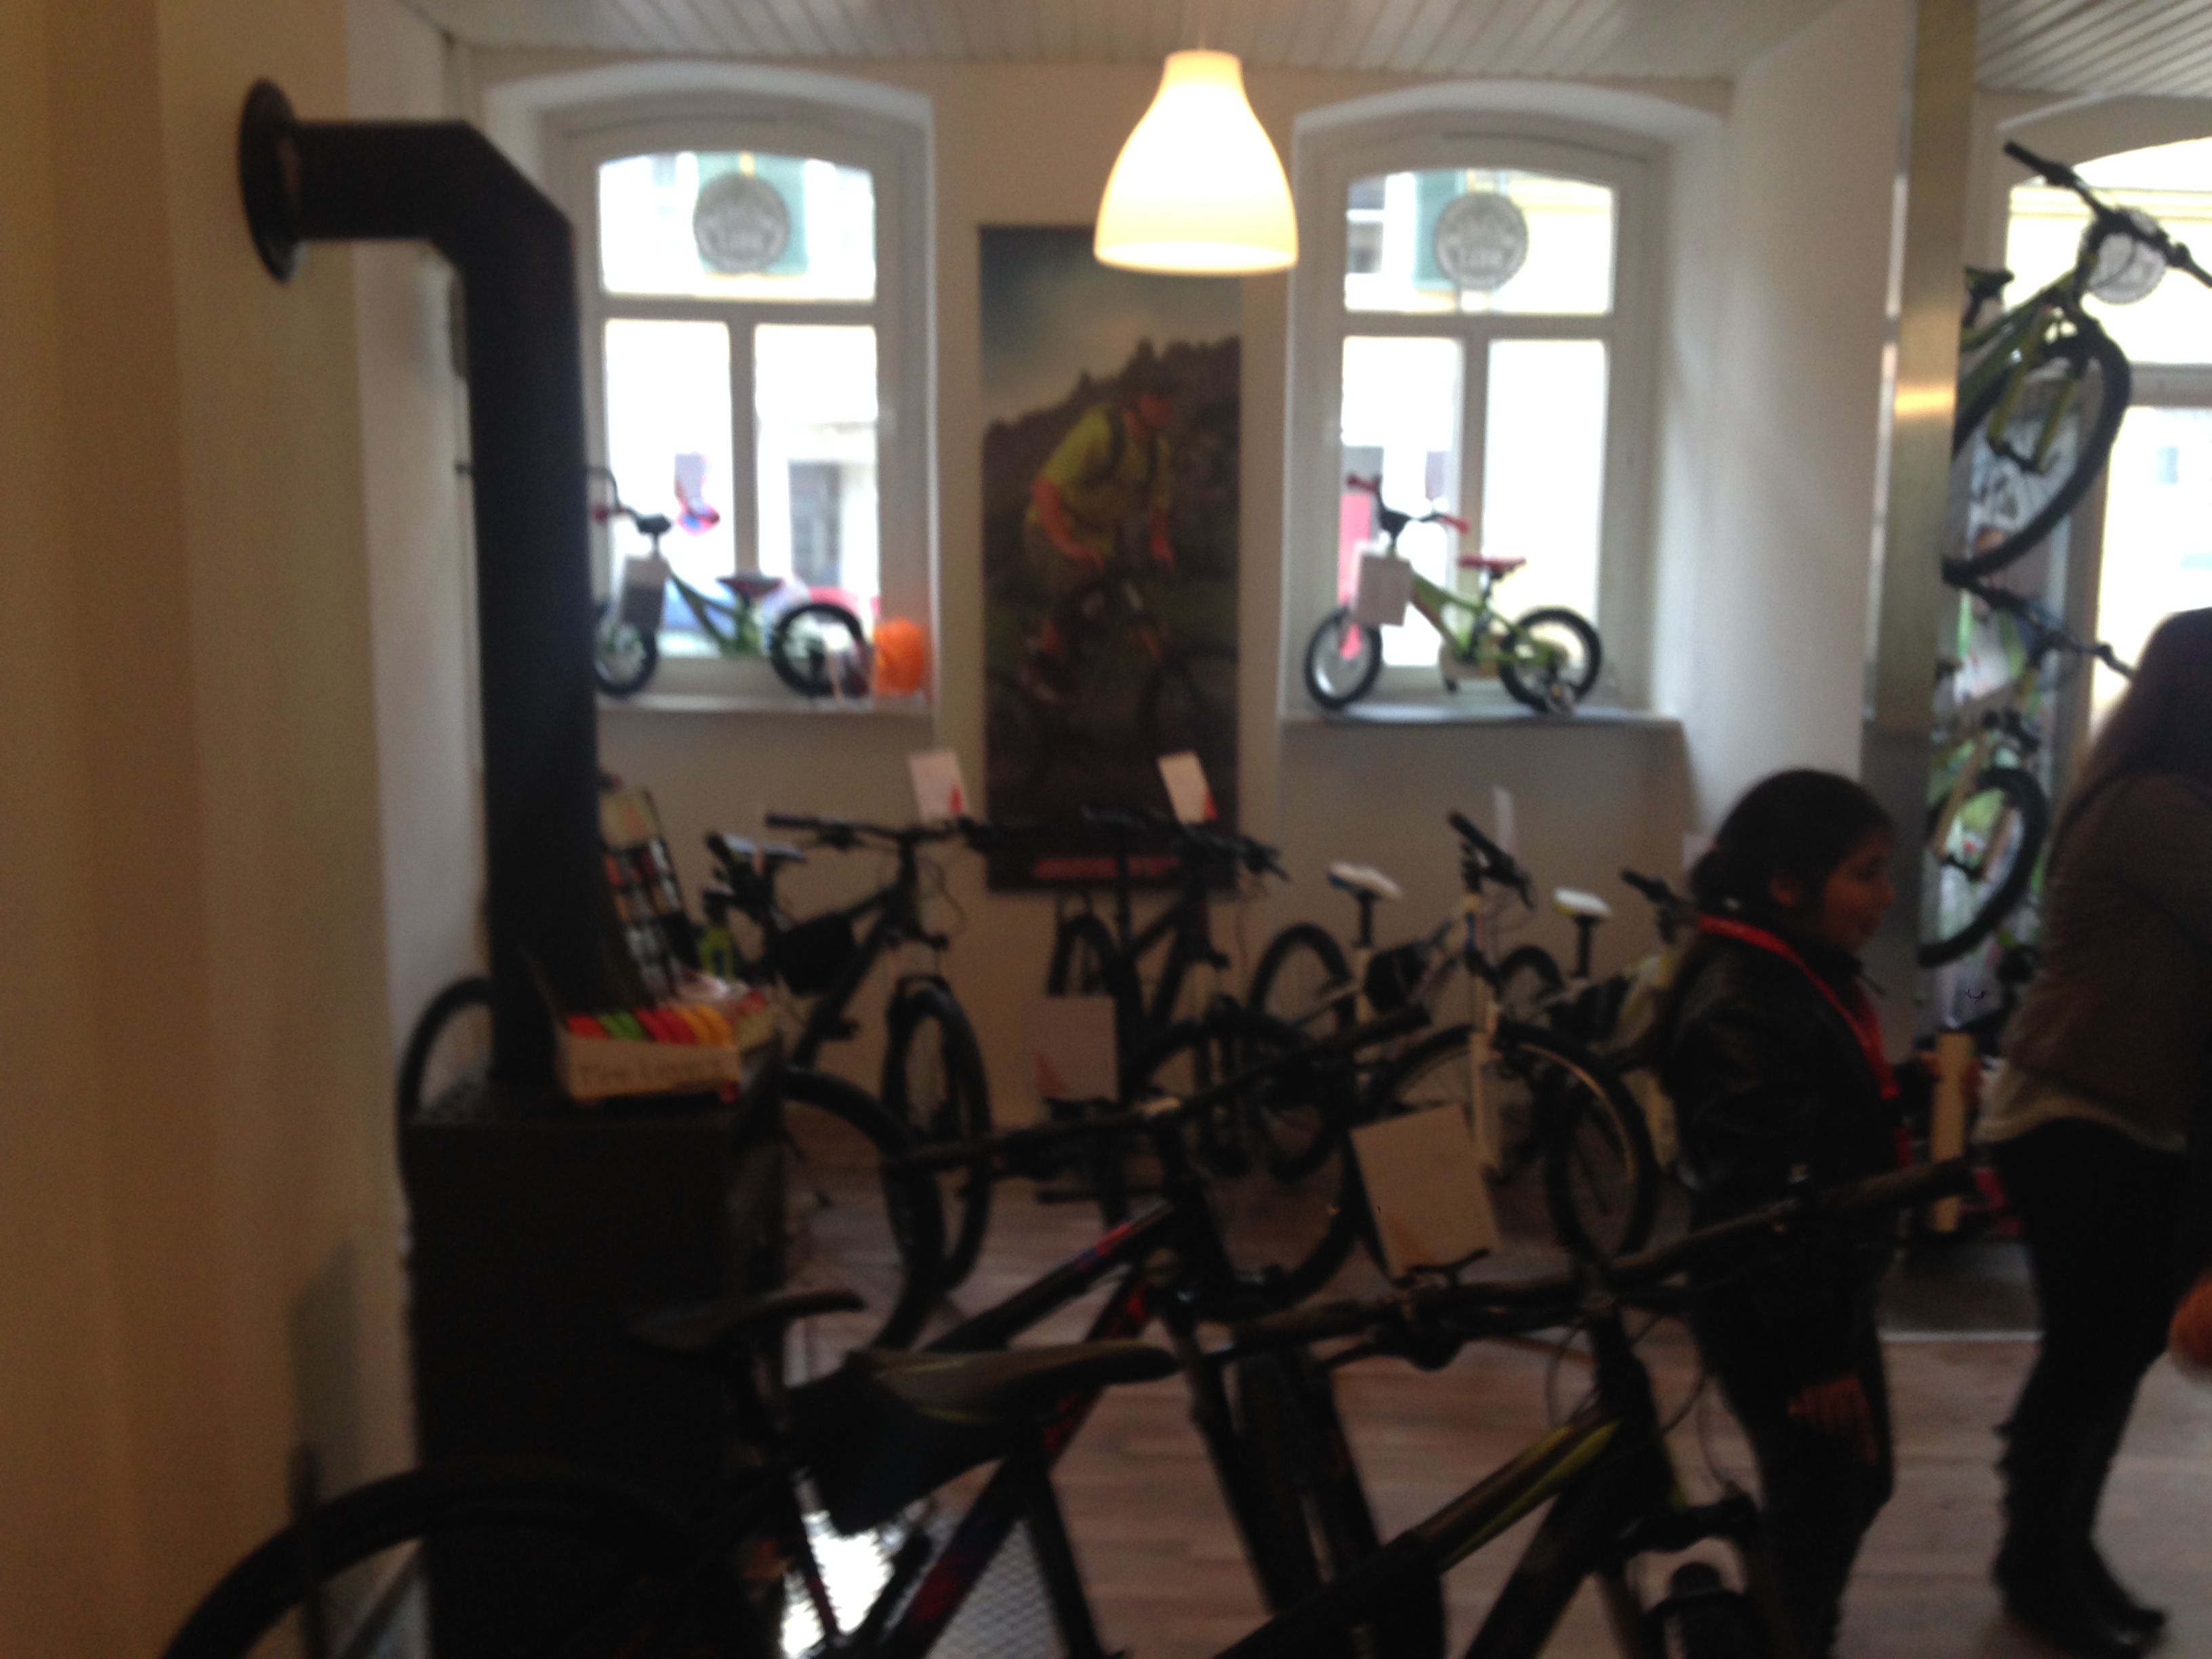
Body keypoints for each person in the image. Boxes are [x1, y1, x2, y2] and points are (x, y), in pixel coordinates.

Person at [1975, 606, 2212, 1659]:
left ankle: (2064, 1546)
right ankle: (2035, 1563)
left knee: (2115, 1350)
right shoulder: (2156, 807)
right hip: (2074, 1109)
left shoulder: (2167, 797)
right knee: (2090, 1351)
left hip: (2123, 1113)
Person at [1655, 770, 1906, 1659]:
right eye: (1866, 874)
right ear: (1789, 885)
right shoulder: (1745, 1003)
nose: (1886, 897)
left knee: (1852, 1488)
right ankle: (1764, 1639)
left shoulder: (1790, 975)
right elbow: (1761, 1197)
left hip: (1818, 1291)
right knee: (1823, 1506)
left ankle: (1755, 1631)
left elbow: (1815, 1123)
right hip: (1779, 1309)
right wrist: (1816, 1358)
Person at [1019, 354, 1178, 699]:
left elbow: (1160, 500)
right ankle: (1039, 667)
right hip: (1052, 524)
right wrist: (1064, 544)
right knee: (1080, 590)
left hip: (1099, 535)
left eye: (1170, 395)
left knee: (1110, 609)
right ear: (1135, 399)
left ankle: (1069, 691)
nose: (1168, 404)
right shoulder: (1100, 434)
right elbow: (1044, 487)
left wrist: (1159, 543)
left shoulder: (1159, 452)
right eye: (1158, 396)